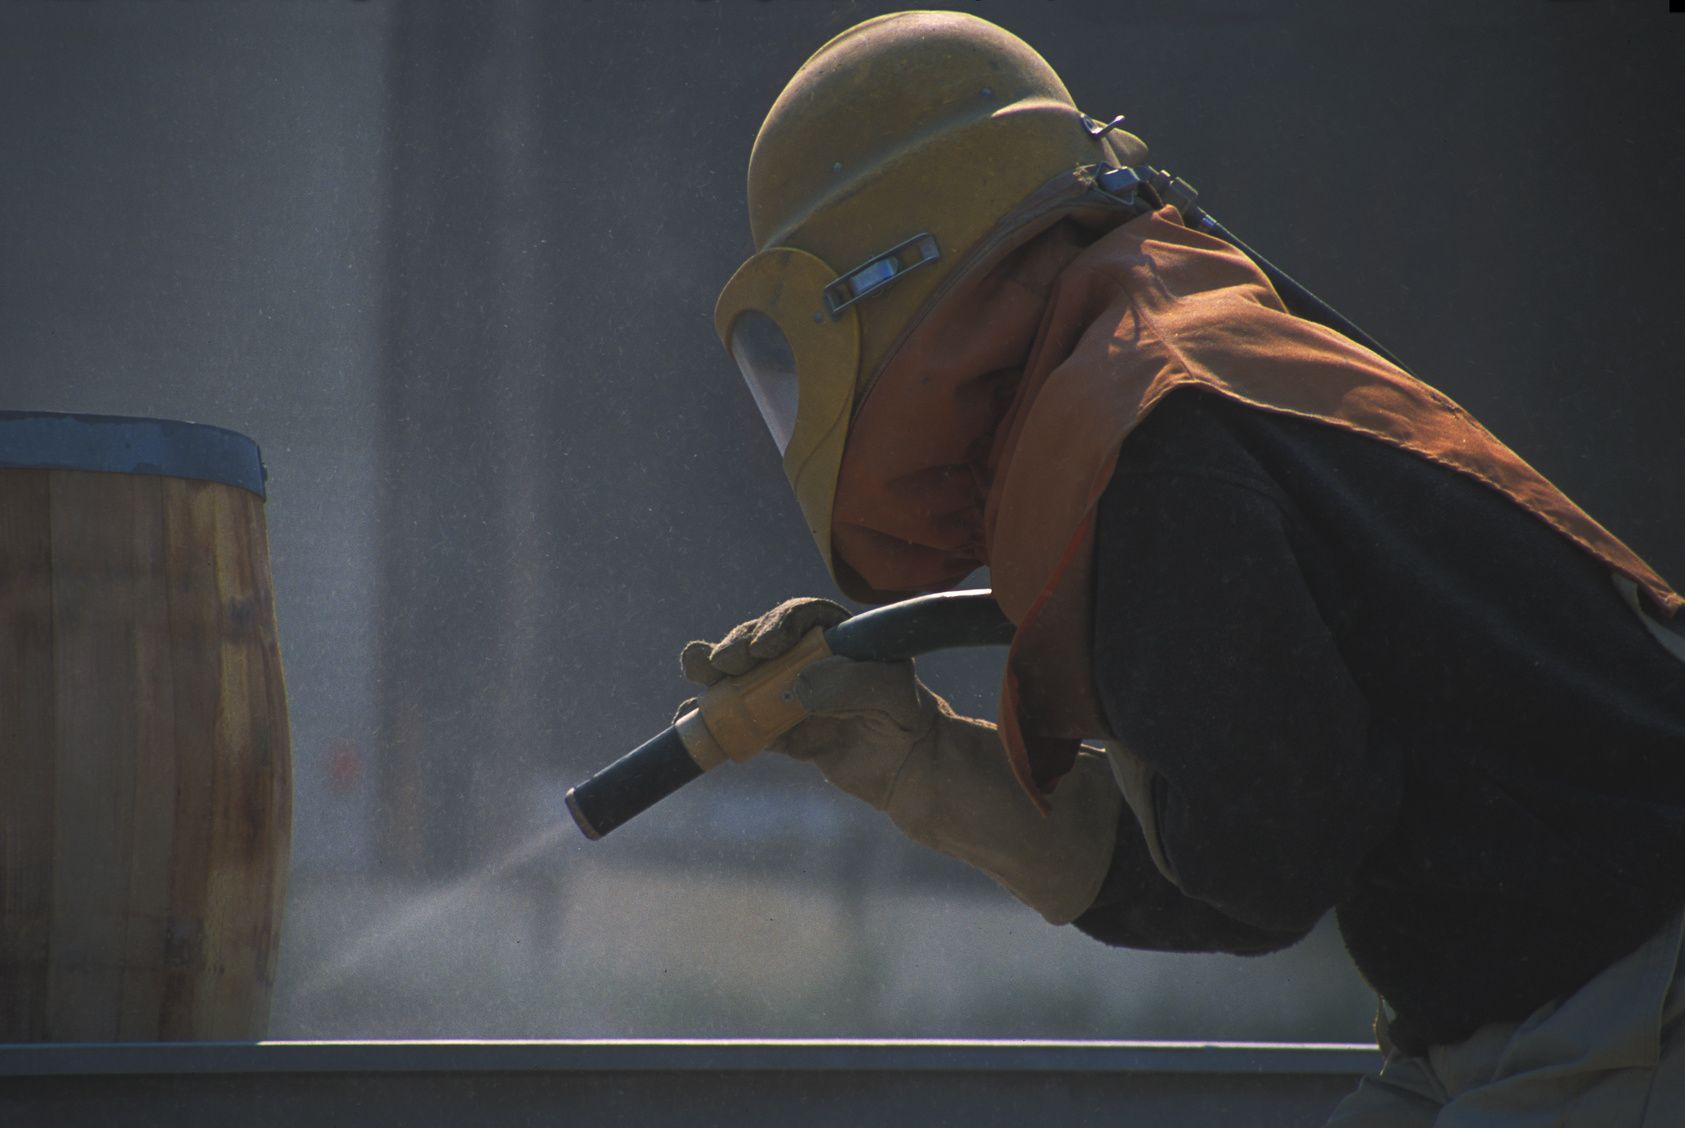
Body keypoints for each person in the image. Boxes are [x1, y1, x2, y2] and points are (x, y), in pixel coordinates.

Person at [692, 10, 1685, 1123]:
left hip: (1631, 992)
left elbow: (1263, 868)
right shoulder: (1167, 355)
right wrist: (918, 762)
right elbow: (1261, 811)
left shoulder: (1148, 440)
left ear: (881, 281)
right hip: (1537, 998)